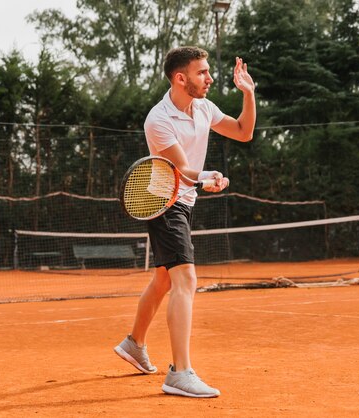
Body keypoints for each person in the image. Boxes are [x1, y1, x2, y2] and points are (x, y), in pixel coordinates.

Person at [114, 46, 256, 398]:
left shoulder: (204, 108)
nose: (209, 78)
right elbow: (181, 170)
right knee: (186, 280)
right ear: (181, 78)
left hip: (185, 200)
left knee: (163, 280)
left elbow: (242, 131)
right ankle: (180, 371)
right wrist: (205, 175)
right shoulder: (158, 119)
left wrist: (249, 95)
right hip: (165, 202)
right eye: (202, 73)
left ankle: (134, 343)